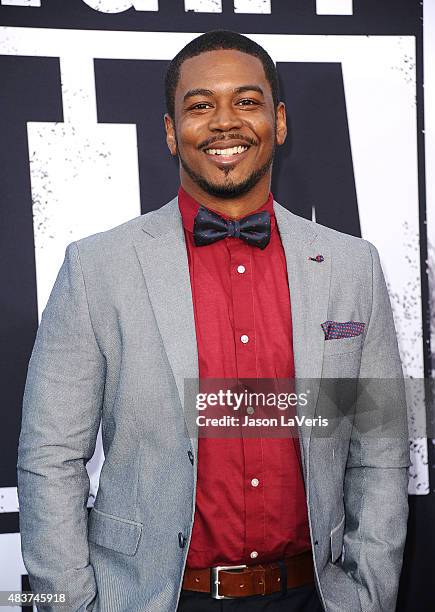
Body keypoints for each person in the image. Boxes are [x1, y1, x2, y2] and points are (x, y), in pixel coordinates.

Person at [17, 30, 410, 612]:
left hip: (315, 597)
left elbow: (378, 444)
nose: (225, 123)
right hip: (157, 598)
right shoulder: (97, 268)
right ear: (173, 133)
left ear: (278, 122)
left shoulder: (352, 266)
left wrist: (368, 596)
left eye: (246, 102)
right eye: (200, 106)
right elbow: (50, 456)